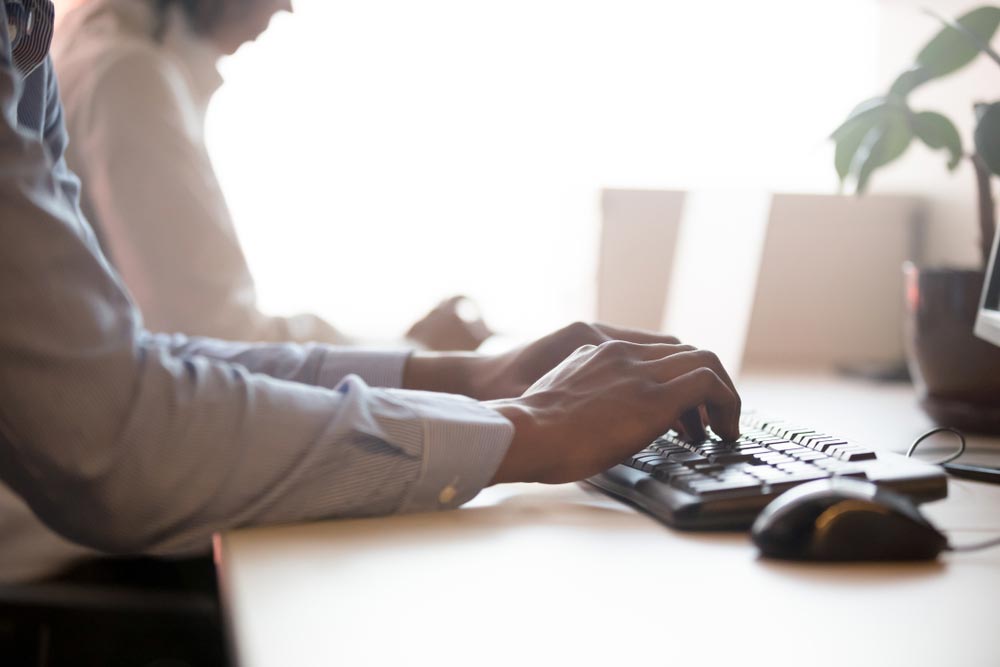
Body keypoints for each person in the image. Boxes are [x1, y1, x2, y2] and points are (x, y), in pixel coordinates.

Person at [0, 0, 741, 583]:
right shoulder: (121, 67)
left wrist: (469, 377)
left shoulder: (41, 36)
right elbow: (123, 435)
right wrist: (523, 427)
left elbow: (145, 358)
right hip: (65, 563)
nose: (288, 8)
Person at [51, 0, 491, 352]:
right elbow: (217, 339)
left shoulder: (100, 57)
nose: (288, 8)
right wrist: (412, 352)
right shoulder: (128, 76)